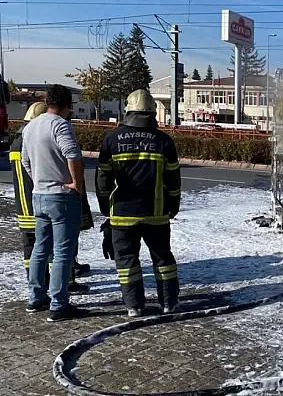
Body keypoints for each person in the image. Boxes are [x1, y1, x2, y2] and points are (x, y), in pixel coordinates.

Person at [96, 89, 181, 317]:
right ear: (153, 113)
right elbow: (173, 180)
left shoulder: (112, 139)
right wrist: (174, 204)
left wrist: (106, 208)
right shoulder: (164, 141)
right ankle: (169, 303)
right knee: (163, 259)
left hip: (122, 214)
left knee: (126, 262)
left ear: (128, 112)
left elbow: (102, 179)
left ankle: (134, 305)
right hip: (157, 213)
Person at [21, 85, 89, 322]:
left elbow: (25, 162)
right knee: (62, 252)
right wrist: (76, 184)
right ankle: (59, 304)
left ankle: (36, 297)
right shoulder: (60, 125)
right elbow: (73, 155)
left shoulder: (30, 127)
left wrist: (39, 180)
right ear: (68, 105)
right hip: (61, 195)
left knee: (40, 248)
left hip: (39, 195)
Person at [10, 102, 92, 293]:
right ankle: (63, 290)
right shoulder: (48, 136)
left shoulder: (21, 140)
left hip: (29, 204)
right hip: (52, 198)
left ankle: (36, 289)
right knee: (61, 248)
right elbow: (70, 161)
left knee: (35, 249)